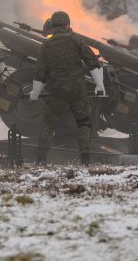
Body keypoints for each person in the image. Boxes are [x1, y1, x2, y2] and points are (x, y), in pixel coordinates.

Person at [29, 10, 105, 165]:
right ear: (67, 24)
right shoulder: (76, 41)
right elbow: (93, 62)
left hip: (57, 90)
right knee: (83, 122)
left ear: (52, 26)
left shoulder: (46, 46)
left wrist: (35, 93)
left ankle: (40, 159)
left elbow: (40, 74)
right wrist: (99, 85)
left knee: (48, 124)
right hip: (77, 89)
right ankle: (85, 158)